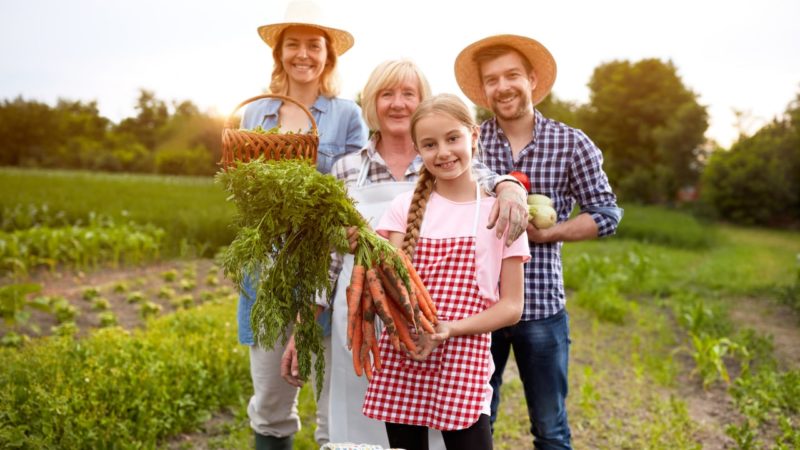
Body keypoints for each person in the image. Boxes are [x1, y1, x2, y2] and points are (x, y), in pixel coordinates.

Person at [280, 60, 531, 448]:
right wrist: (308, 320)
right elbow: (350, 266)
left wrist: (513, 185)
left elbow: (492, 185)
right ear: (372, 104)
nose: (397, 104)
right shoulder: (349, 170)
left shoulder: (474, 184)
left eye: (408, 94)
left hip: (452, 351)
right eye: (386, 94)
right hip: (373, 326)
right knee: (353, 432)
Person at [454, 34, 624, 449]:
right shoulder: (468, 142)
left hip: (542, 305)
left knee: (551, 429)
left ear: (532, 79)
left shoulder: (572, 143)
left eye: (512, 75)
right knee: (475, 424)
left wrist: (549, 233)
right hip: (479, 306)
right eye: (491, 80)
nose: (503, 86)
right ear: (483, 90)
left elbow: (607, 213)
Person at [360, 93, 531, 450]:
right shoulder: (403, 208)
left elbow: (512, 306)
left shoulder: (500, 211)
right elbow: (388, 287)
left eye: (452, 138)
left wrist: (449, 329)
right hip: (406, 351)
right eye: (429, 144)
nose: (443, 152)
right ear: (418, 150)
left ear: (474, 135)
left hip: (464, 357)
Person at [236, 1, 368, 449]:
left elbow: (356, 192)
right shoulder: (255, 115)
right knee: (271, 403)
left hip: (325, 271)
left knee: (333, 407)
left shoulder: (348, 115)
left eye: (315, 45)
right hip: (268, 270)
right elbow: (242, 188)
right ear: (280, 54)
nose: (303, 54)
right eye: (293, 45)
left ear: (328, 56)